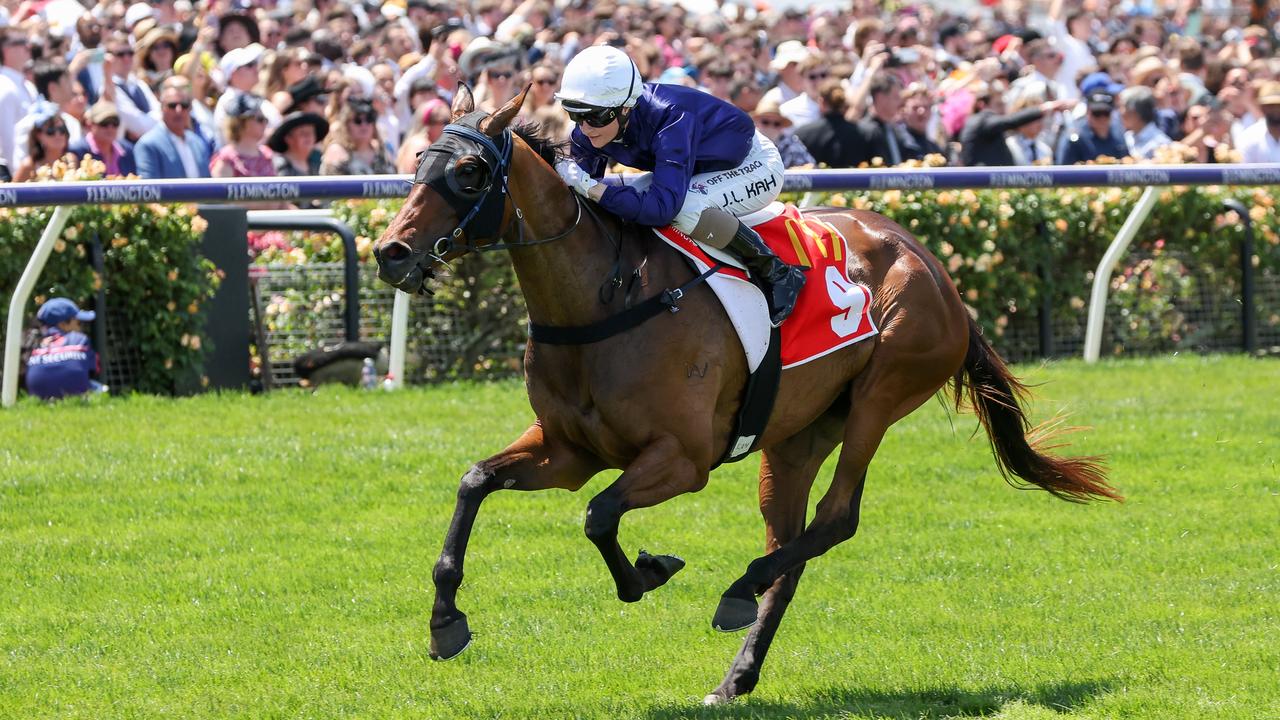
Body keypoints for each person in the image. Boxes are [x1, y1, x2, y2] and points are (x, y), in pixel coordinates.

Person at [554, 45, 804, 326]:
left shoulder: (670, 117)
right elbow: (584, 201)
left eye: (596, 116)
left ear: (626, 108)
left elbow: (661, 208)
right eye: (575, 114)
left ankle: (777, 271)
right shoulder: (590, 129)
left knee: (684, 210)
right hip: (699, 166)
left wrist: (592, 188)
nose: (585, 128)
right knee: (628, 199)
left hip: (752, 164)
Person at [25, 298, 103, 401]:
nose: (81, 328)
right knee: (98, 387)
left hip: (37, 397)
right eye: (79, 323)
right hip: (75, 396)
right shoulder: (80, 339)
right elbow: (94, 369)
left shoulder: (34, 342)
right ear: (63, 324)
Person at [133, 82, 212, 179]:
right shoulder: (148, 145)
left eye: (184, 105)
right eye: (172, 105)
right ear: (161, 108)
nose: (178, 110)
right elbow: (150, 189)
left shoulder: (197, 142)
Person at [319, 96, 396, 175]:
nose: (364, 125)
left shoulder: (381, 150)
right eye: (358, 120)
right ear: (346, 125)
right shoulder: (337, 151)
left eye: (369, 119)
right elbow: (334, 185)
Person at [210, 93, 275, 178]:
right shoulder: (226, 160)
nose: (265, 123)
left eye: (265, 119)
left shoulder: (267, 155)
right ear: (242, 123)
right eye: (260, 119)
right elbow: (219, 190)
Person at [1056, 90, 1130, 164]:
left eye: (1106, 113)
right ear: (1088, 112)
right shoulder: (1075, 138)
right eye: (1097, 113)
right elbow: (1064, 170)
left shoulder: (1119, 133)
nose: (1102, 118)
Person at [68, 101, 137, 176]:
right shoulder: (77, 151)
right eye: (104, 123)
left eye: (115, 123)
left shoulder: (128, 150)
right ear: (90, 125)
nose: (110, 128)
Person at [11, 103, 75, 182]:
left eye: (62, 129)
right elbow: (13, 193)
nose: (58, 135)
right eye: (50, 131)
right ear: (39, 135)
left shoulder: (71, 159)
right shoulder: (29, 166)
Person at [751, 96, 814, 169]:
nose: (771, 127)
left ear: (782, 127)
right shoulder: (746, 142)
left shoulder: (791, 142)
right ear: (755, 123)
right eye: (765, 122)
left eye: (777, 123)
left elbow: (810, 167)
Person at [1118, 86, 1173, 159]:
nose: (1120, 113)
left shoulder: (1162, 144)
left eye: (1123, 107)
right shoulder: (1126, 138)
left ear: (1134, 112)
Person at [268, 110, 328, 176]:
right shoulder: (277, 166)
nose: (308, 137)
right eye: (303, 133)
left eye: (311, 133)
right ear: (288, 138)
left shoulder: (318, 165)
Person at [1238, 82, 1280, 163]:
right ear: (1261, 107)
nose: (1276, 109)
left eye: (1279, 105)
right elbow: (1243, 171)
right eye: (1270, 105)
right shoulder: (1249, 136)